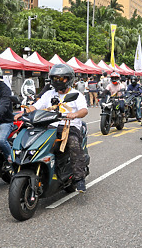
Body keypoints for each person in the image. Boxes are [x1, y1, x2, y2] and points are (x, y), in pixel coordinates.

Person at [17, 64, 89, 192]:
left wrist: (74, 114)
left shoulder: (76, 94)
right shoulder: (48, 94)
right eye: (55, 78)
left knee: (73, 143)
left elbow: (84, 110)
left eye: (61, 78)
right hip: (50, 126)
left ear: (69, 79)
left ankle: (79, 178)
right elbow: (36, 107)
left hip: (69, 127)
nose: (57, 81)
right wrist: (27, 110)